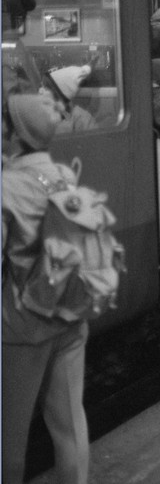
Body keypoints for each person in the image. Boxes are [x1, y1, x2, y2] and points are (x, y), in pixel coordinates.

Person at [2, 92, 90, 484]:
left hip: (22, 329)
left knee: (8, 439)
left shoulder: (7, 188)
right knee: (69, 425)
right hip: (70, 318)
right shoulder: (65, 176)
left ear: (14, 134)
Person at [41, 63, 98, 133]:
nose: (40, 91)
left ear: (59, 94)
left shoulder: (82, 118)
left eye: (46, 88)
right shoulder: (38, 114)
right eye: (41, 86)